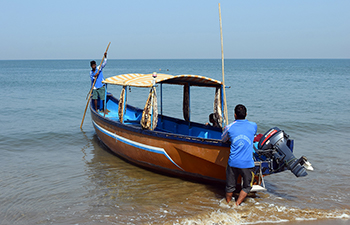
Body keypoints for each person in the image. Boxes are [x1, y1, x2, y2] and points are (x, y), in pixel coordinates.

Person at [221, 104, 257, 206]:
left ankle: (228, 204)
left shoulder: (229, 127)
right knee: (247, 187)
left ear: (235, 115)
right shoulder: (253, 125)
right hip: (247, 164)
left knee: (230, 187)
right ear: (246, 114)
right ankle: (237, 204)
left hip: (233, 162)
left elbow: (223, 140)